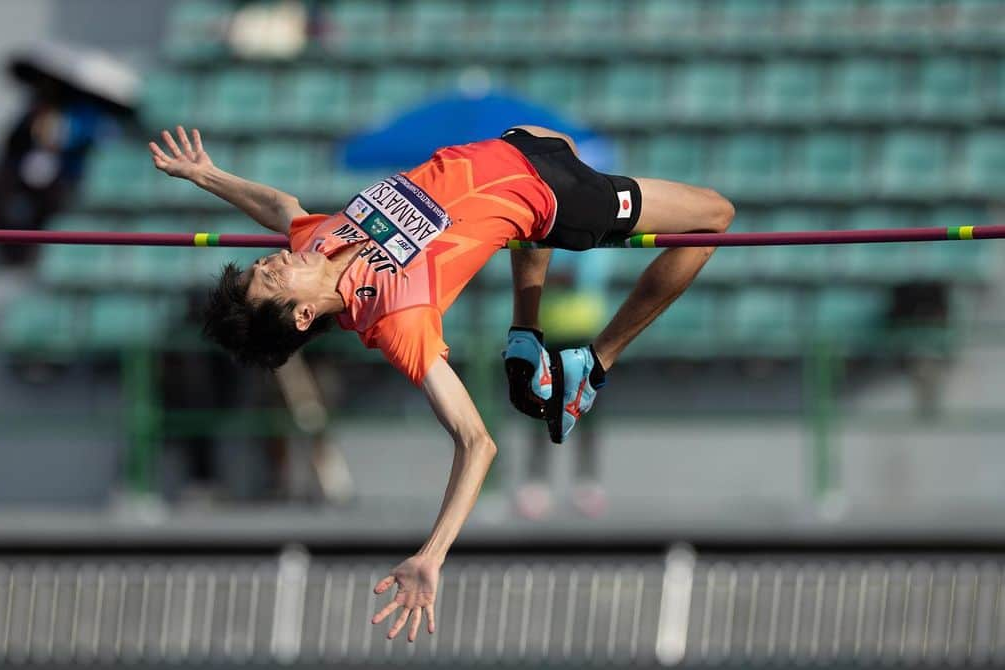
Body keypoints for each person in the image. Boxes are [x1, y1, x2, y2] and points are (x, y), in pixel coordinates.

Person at [148, 124, 734, 643]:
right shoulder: (396, 320)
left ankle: (524, 332)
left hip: (513, 146)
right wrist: (432, 555)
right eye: (269, 280)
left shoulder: (313, 244)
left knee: (554, 149)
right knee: (714, 216)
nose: (272, 263)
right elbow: (476, 442)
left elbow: (279, 204)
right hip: (560, 198)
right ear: (302, 316)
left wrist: (207, 175)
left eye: (261, 265)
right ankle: (595, 365)